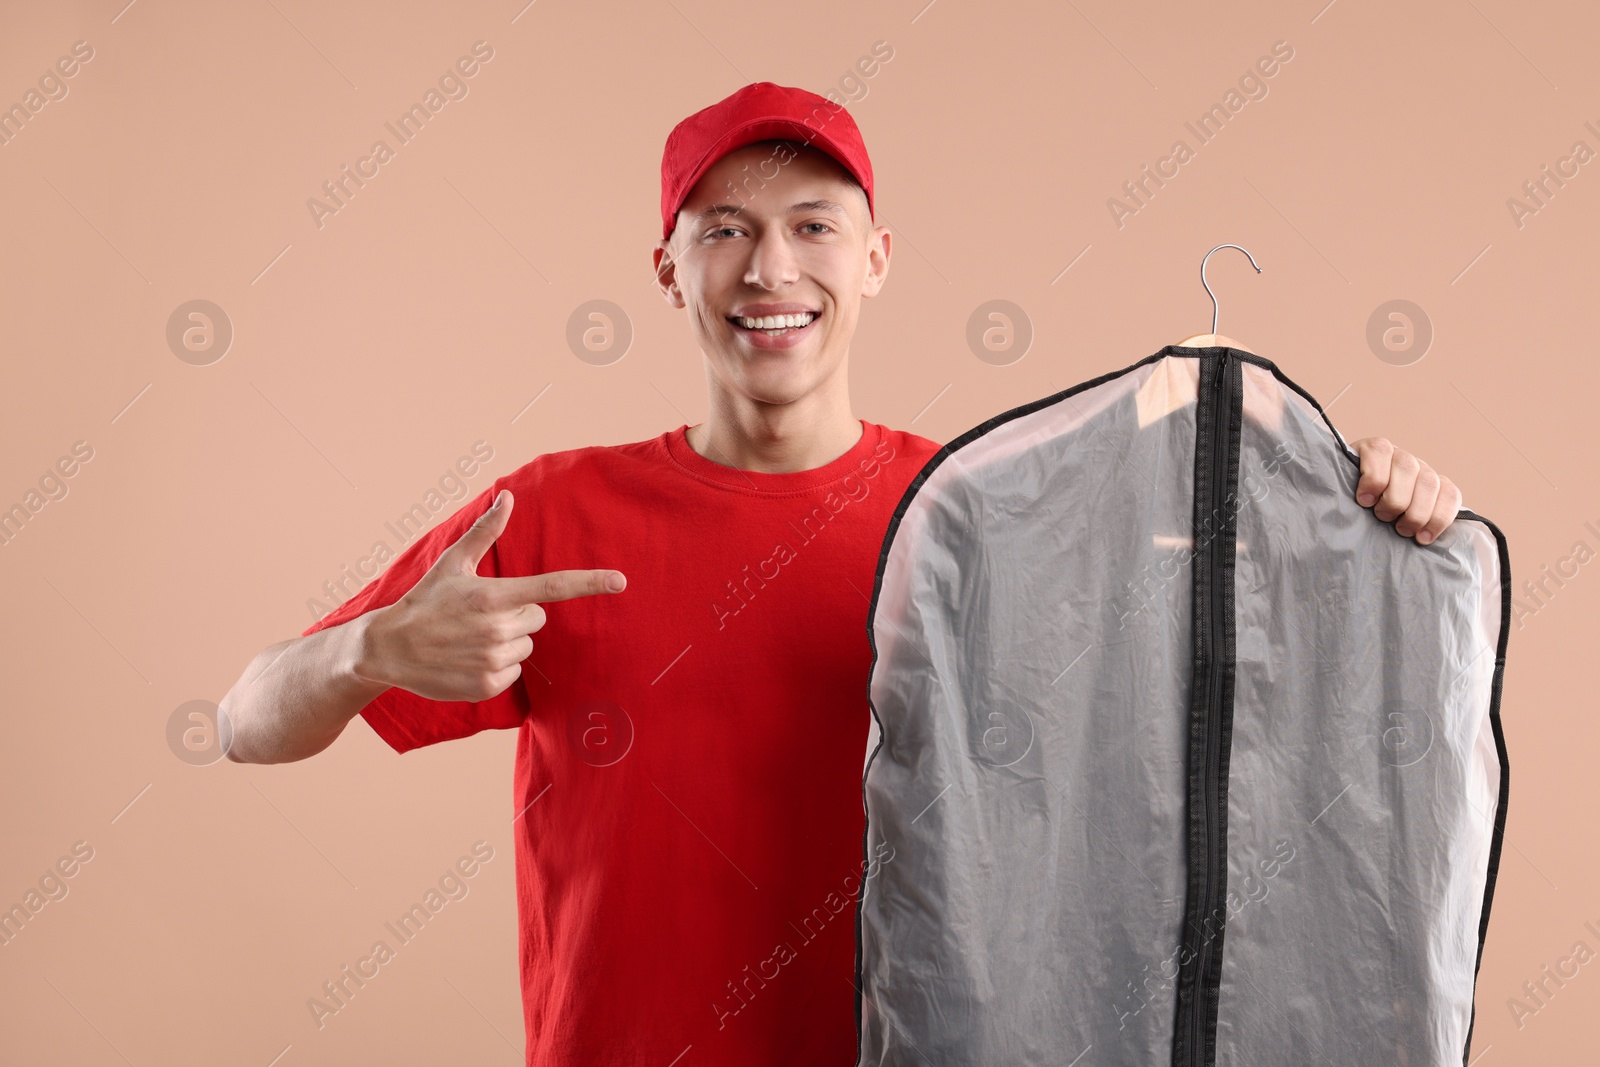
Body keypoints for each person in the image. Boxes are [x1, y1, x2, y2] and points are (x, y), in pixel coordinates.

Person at [219, 81, 1464, 1065]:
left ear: (875, 259)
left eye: (813, 226)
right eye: (726, 231)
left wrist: (1379, 522)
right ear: (668, 269)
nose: (771, 271)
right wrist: (365, 650)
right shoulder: (546, 512)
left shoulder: (978, 515)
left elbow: (1225, 658)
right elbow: (244, 724)